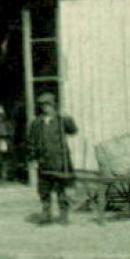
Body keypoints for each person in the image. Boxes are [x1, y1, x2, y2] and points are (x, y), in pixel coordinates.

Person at [26, 90, 78, 225]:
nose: (46, 108)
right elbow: (31, 142)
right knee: (44, 190)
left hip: (60, 161)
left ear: (54, 105)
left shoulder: (61, 120)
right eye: (43, 105)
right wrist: (32, 159)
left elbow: (73, 131)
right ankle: (46, 215)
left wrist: (68, 118)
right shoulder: (36, 123)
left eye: (48, 105)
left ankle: (63, 216)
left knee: (61, 190)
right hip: (44, 162)